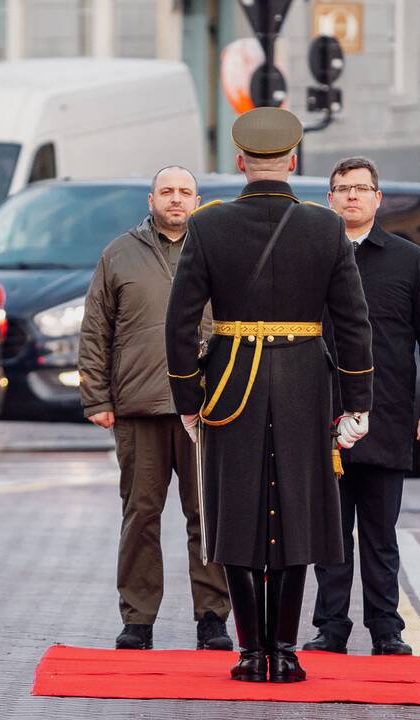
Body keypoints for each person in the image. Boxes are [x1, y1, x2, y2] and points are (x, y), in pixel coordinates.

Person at [165, 107, 373, 683]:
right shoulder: (325, 226)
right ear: (293, 161)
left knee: (235, 513)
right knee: (298, 512)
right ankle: (285, 651)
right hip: (306, 380)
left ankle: (250, 652)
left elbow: (181, 322)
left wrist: (187, 399)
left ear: (239, 163)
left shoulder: (208, 226)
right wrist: (358, 401)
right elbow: (354, 323)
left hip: (231, 382)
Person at [303, 157, 420, 656]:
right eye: (342, 188)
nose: (352, 196)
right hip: (323, 417)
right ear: (329, 198)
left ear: (377, 198)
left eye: (361, 188)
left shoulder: (408, 259)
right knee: (330, 534)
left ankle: (387, 630)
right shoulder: (314, 256)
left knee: (380, 535)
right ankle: (330, 628)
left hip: (387, 417)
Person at [79, 165, 232, 652]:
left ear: (197, 199)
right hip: (137, 408)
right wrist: (97, 399)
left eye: (185, 192)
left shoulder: (215, 250)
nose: (176, 199)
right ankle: (138, 620)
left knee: (206, 516)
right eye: (167, 191)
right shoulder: (119, 254)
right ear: (151, 200)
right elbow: (95, 331)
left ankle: (212, 618)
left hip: (206, 412)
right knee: (141, 515)